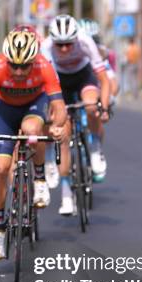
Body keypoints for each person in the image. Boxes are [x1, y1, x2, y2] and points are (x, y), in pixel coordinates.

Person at [0, 30, 67, 259]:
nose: (18, 72)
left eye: (24, 66)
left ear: (33, 61)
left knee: (31, 131)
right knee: (0, 168)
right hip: (5, 113)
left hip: (34, 106)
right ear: (6, 59)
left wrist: (57, 125)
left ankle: (39, 179)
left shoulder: (44, 66)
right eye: (14, 66)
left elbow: (59, 107)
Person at [41, 14, 110, 215]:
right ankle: (65, 194)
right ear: (53, 41)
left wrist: (103, 108)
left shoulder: (86, 42)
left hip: (83, 76)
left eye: (68, 44)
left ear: (76, 39)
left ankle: (96, 148)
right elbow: (47, 86)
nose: (64, 49)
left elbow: (104, 80)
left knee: (91, 106)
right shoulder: (46, 47)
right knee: (62, 131)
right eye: (59, 45)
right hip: (59, 81)